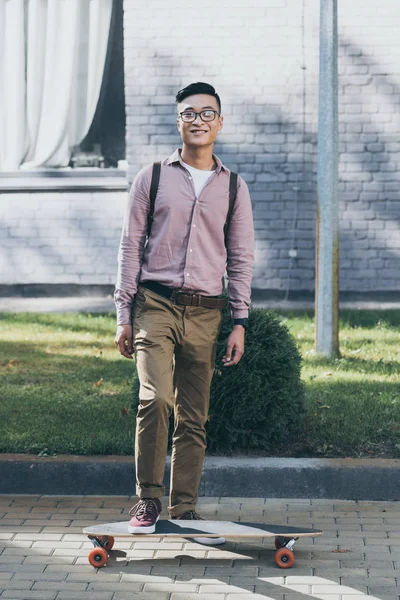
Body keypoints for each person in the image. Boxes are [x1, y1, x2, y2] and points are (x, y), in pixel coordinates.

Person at [114, 82, 254, 542]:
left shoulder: (234, 187)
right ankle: (148, 497)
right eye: (189, 113)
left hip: (208, 312)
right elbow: (131, 246)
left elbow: (240, 257)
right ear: (179, 122)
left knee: (195, 414)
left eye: (207, 113)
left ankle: (186, 506)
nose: (198, 120)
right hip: (154, 304)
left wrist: (239, 320)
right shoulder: (151, 177)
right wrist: (123, 312)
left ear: (220, 122)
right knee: (155, 398)